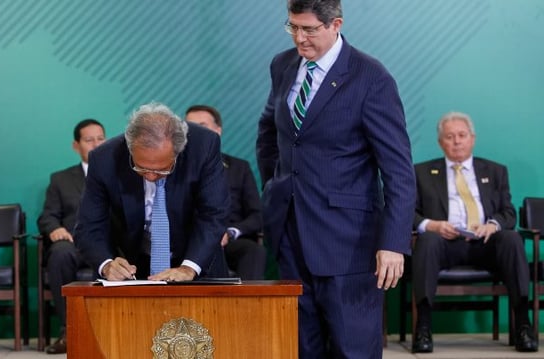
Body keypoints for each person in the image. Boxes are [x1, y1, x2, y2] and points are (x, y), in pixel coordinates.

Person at [255, 0, 416, 357]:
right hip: (289, 233)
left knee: (352, 348)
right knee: (300, 347)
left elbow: (398, 170)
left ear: (336, 24)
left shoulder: (371, 78)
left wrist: (393, 242)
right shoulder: (282, 65)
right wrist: (275, 187)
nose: (299, 38)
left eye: (309, 29)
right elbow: (270, 131)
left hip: (348, 241)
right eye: (292, 27)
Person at [411, 111, 537, 353]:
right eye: (450, 136)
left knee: (511, 238)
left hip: (485, 244)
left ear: (472, 138)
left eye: (462, 135)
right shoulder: (422, 173)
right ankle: (423, 328)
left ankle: (523, 325)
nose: (456, 141)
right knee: (427, 240)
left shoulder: (495, 171)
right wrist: (434, 225)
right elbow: (409, 213)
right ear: (440, 142)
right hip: (445, 245)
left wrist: (493, 224)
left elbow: (509, 213)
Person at [75, 102, 230, 283]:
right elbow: (88, 226)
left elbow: (214, 214)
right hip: (133, 269)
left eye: (161, 170)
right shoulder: (104, 158)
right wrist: (107, 264)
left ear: (177, 153)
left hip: (197, 263)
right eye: (141, 168)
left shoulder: (203, 146)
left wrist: (189, 267)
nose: (150, 176)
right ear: (130, 148)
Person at [37, 118, 106, 354]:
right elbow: (47, 216)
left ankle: (107, 329)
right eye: (89, 140)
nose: (96, 144)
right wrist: (54, 228)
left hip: (108, 245)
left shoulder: (122, 175)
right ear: (76, 145)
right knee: (59, 253)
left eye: (100, 139)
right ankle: (70, 330)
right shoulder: (61, 179)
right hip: (75, 244)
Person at [185, 104, 266, 280]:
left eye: (202, 126)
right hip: (192, 241)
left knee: (254, 251)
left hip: (231, 240)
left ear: (218, 130)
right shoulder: (176, 168)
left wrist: (229, 232)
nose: (195, 133)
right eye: (190, 127)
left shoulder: (239, 167)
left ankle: (246, 307)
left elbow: (257, 216)